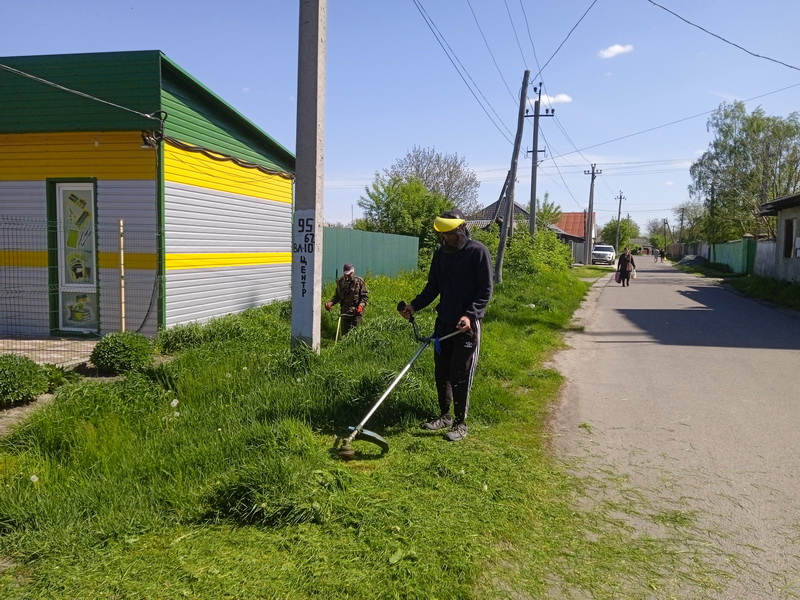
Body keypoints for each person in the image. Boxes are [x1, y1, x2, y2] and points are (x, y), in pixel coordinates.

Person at [398, 209, 493, 442]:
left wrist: (470, 315)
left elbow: (485, 290)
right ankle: (445, 416)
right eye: (442, 235)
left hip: (465, 326)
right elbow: (433, 287)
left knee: (460, 373)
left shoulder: (478, 252)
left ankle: (461, 423)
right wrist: (414, 306)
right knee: (442, 373)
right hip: (443, 323)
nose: (445, 239)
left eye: (448, 234)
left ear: (461, 229)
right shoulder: (441, 254)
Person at [325, 263, 369, 336]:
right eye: (346, 274)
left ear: (353, 272)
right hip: (345, 313)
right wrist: (331, 303)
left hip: (356, 314)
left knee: (356, 336)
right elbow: (337, 296)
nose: (347, 276)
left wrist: (361, 306)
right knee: (345, 336)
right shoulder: (340, 282)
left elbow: (364, 297)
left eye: (349, 274)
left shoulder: (359, 281)